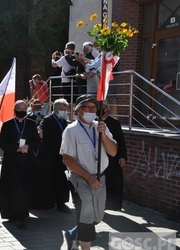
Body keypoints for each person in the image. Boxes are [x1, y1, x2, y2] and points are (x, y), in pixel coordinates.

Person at [60, 94, 117, 250]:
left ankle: (72, 234)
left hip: (100, 179)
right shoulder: (71, 130)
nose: (91, 110)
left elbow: (113, 152)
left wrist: (103, 135)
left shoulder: (102, 127)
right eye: (87, 107)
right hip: (80, 180)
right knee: (86, 215)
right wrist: (88, 177)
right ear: (79, 111)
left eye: (93, 107)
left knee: (97, 217)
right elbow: (67, 159)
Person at [0, 100, 41, 229]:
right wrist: (16, 149)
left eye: (24, 108)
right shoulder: (7, 124)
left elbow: (37, 141)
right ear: (14, 110)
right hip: (12, 161)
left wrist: (28, 146)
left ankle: (22, 214)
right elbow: (3, 143)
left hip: (27, 161)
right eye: (19, 108)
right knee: (14, 188)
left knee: (24, 189)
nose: (22, 111)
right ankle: (16, 215)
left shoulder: (31, 124)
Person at [38, 98, 71, 213]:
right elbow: (40, 129)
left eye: (65, 110)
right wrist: (39, 131)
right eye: (62, 110)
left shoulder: (63, 121)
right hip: (48, 156)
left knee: (61, 180)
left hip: (61, 155)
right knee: (48, 179)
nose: (64, 112)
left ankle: (61, 203)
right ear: (55, 109)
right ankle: (47, 202)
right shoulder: (47, 120)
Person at [100, 101, 127, 211]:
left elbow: (120, 140)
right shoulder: (95, 122)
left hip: (113, 156)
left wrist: (122, 156)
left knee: (113, 181)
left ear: (107, 108)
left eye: (103, 107)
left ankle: (111, 206)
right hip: (100, 156)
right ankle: (101, 205)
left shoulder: (114, 123)